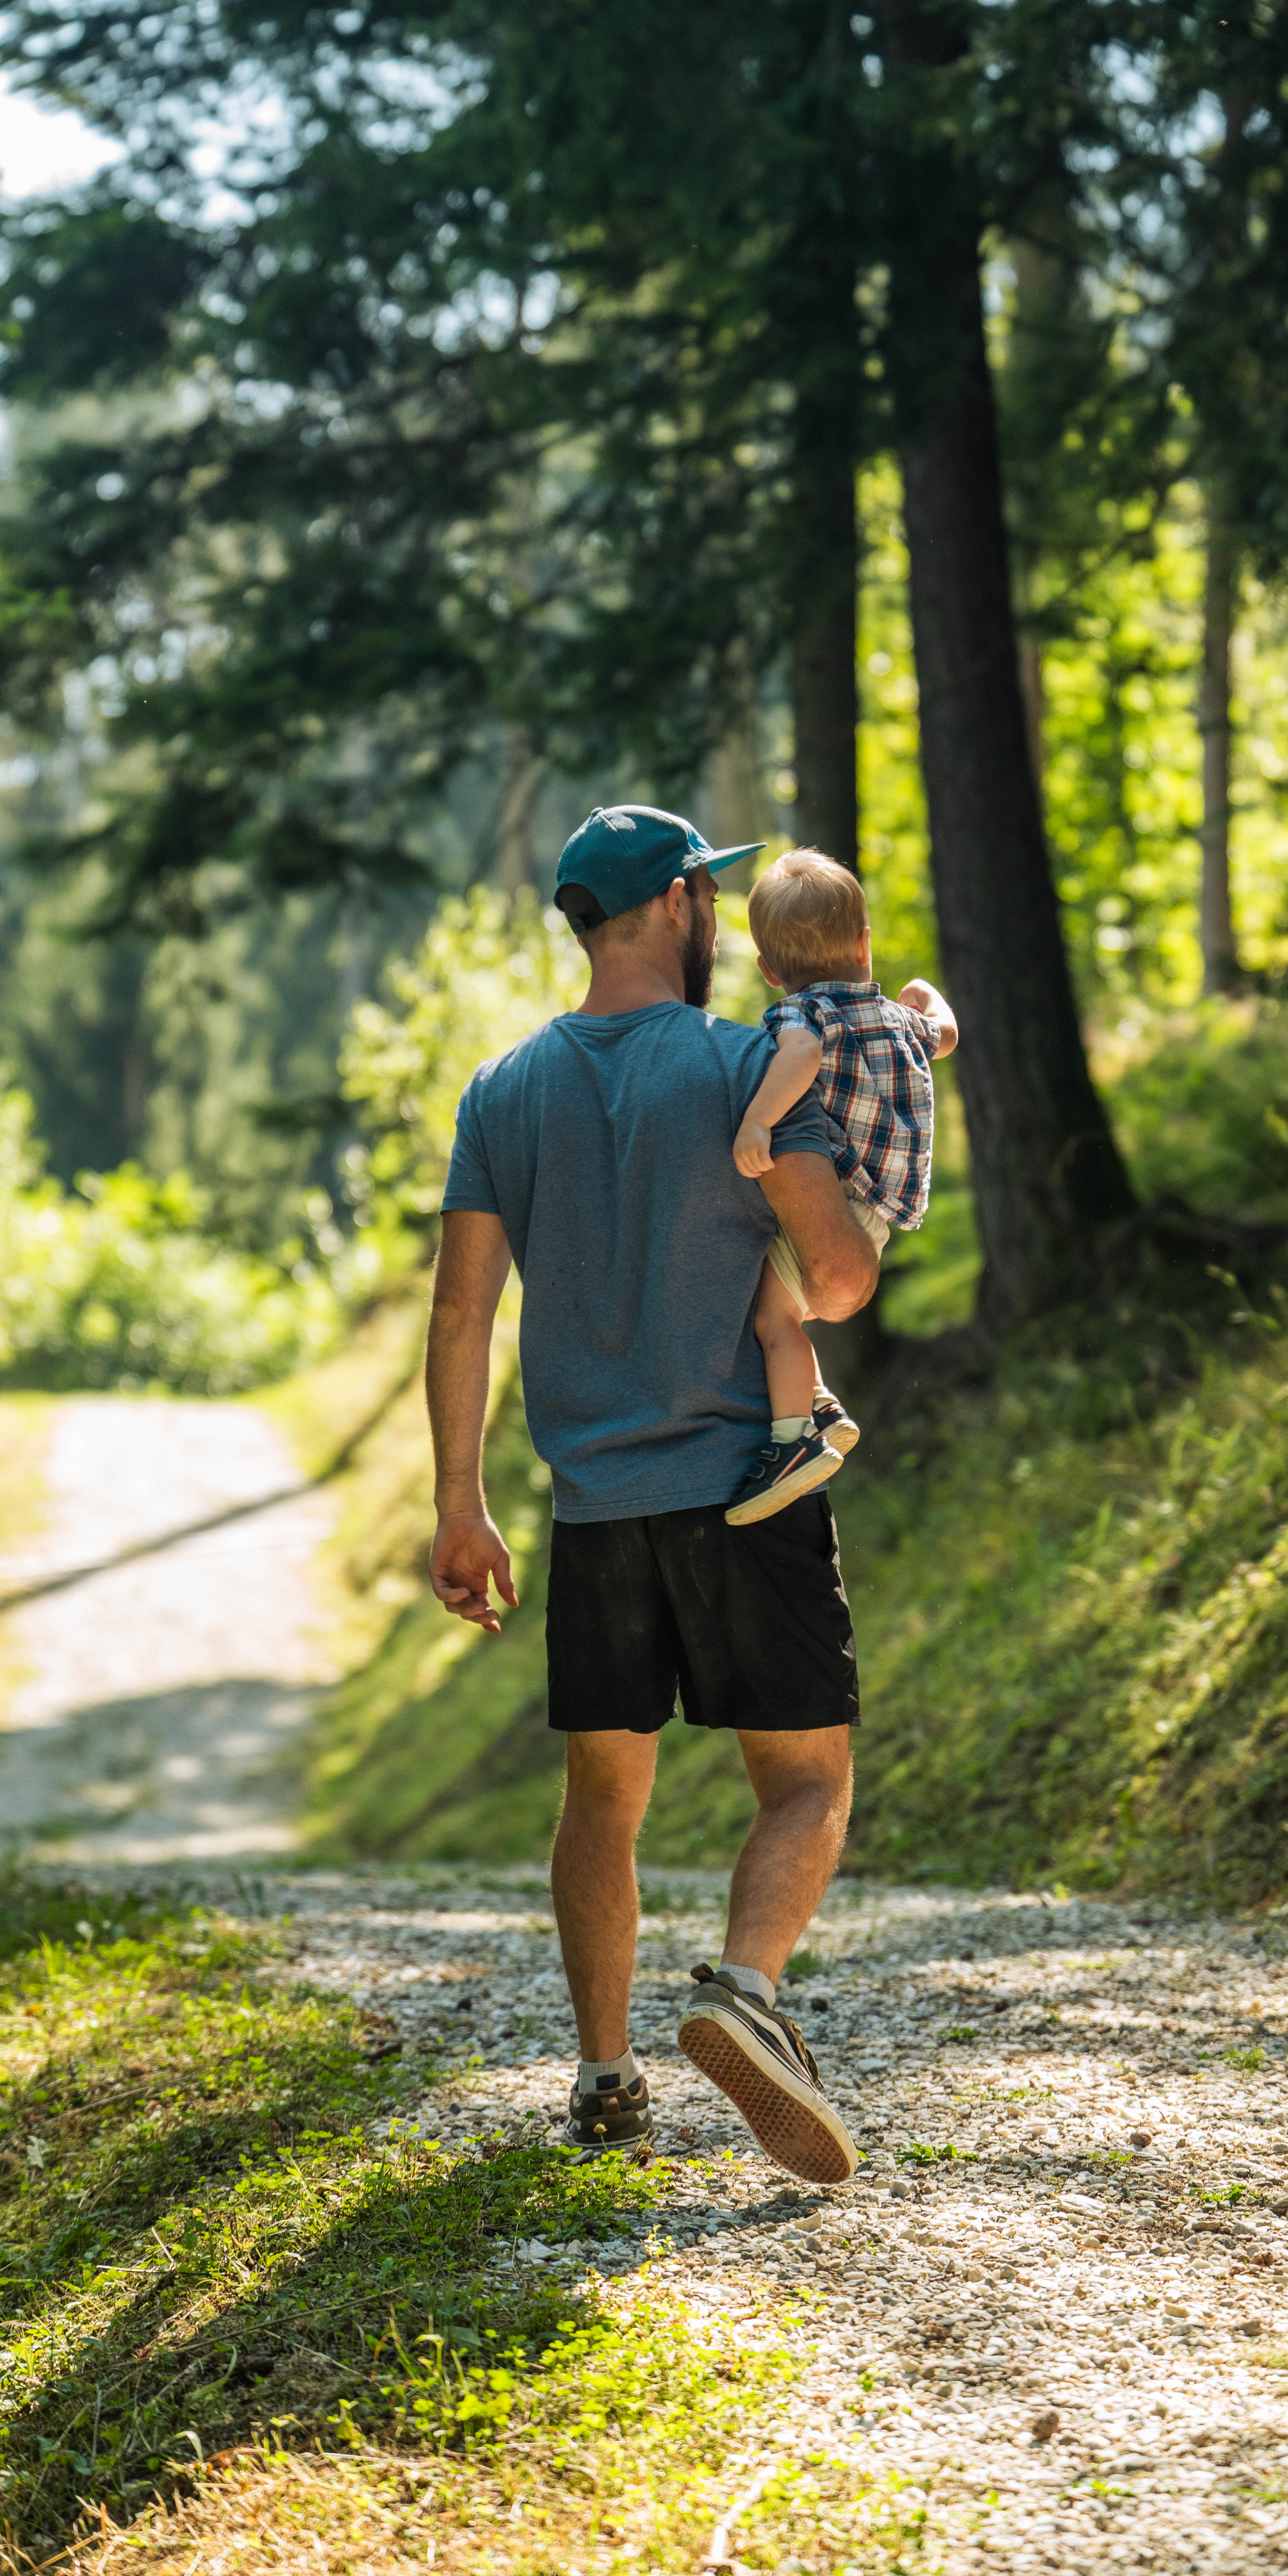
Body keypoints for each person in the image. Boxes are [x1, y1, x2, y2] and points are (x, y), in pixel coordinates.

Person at [426, 803, 878, 2186]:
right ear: (684, 903)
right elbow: (844, 1275)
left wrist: (461, 1500)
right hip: (749, 1485)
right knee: (804, 1777)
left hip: (595, 1508)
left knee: (603, 1799)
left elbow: (460, 1312)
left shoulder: (503, 1090)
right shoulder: (755, 1065)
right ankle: (743, 1987)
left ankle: (607, 2073)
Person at [723, 847, 959, 1526]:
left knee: (773, 1316)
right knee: (790, 1308)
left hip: (839, 1195)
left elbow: (801, 1058)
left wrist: (759, 1121)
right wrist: (923, 993)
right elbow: (945, 1032)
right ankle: (818, 1398)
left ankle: (796, 1440)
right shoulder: (897, 1020)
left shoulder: (802, 1018)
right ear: (864, 943)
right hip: (880, 1211)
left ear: (770, 972)